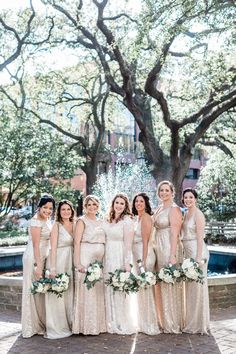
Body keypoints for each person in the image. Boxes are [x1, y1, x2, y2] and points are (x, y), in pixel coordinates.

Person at [21, 194, 55, 338]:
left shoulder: (47, 220)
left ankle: (39, 323)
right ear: (39, 207)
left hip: (43, 257)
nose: (48, 210)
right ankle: (31, 326)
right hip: (34, 258)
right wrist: (38, 266)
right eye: (45, 207)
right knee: (32, 290)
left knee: (39, 291)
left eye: (50, 208)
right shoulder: (36, 222)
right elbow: (35, 245)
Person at [103, 193, 136, 335]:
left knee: (119, 287)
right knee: (108, 286)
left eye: (122, 203)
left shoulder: (127, 220)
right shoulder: (107, 218)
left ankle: (121, 321)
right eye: (117, 202)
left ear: (125, 206)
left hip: (119, 254)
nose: (119, 206)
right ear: (113, 203)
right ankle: (109, 320)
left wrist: (127, 263)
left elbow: (128, 244)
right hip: (107, 255)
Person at [72, 195, 106, 335]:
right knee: (87, 289)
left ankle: (97, 325)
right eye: (89, 205)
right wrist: (78, 262)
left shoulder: (102, 221)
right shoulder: (81, 221)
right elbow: (76, 242)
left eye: (95, 204)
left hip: (99, 259)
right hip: (86, 255)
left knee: (97, 290)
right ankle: (85, 326)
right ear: (85, 206)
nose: (92, 207)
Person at [152, 181, 183, 333]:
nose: (164, 193)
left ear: (172, 192)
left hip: (168, 247)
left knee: (168, 281)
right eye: (161, 190)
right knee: (160, 282)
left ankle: (172, 321)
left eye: (166, 190)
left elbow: (175, 233)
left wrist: (172, 255)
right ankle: (162, 319)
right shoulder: (158, 208)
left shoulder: (174, 209)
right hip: (157, 247)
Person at [45, 200, 75, 339]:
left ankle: (71, 322)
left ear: (72, 211)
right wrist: (52, 268)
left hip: (71, 260)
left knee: (70, 291)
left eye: (68, 209)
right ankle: (57, 325)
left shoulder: (75, 224)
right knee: (59, 292)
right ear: (59, 212)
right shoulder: (56, 226)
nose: (66, 212)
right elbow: (53, 248)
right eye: (63, 209)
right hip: (59, 259)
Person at [181, 188, 210, 334]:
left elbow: (200, 237)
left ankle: (199, 324)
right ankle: (191, 321)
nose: (188, 200)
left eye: (190, 197)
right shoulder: (186, 213)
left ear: (195, 199)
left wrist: (198, 258)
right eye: (186, 197)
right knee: (191, 289)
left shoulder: (198, 215)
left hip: (198, 253)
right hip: (188, 253)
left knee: (198, 288)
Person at [132, 193, 161, 335]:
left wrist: (143, 261)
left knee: (145, 288)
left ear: (146, 203)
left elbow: (145, 241)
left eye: (141, 201)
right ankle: (143, 321)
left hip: (144, 255)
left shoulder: (145, 217)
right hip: (137, 254)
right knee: (141, 289)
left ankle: (150, 323)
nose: (138, 203)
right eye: (136, 201)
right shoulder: (137, 217)